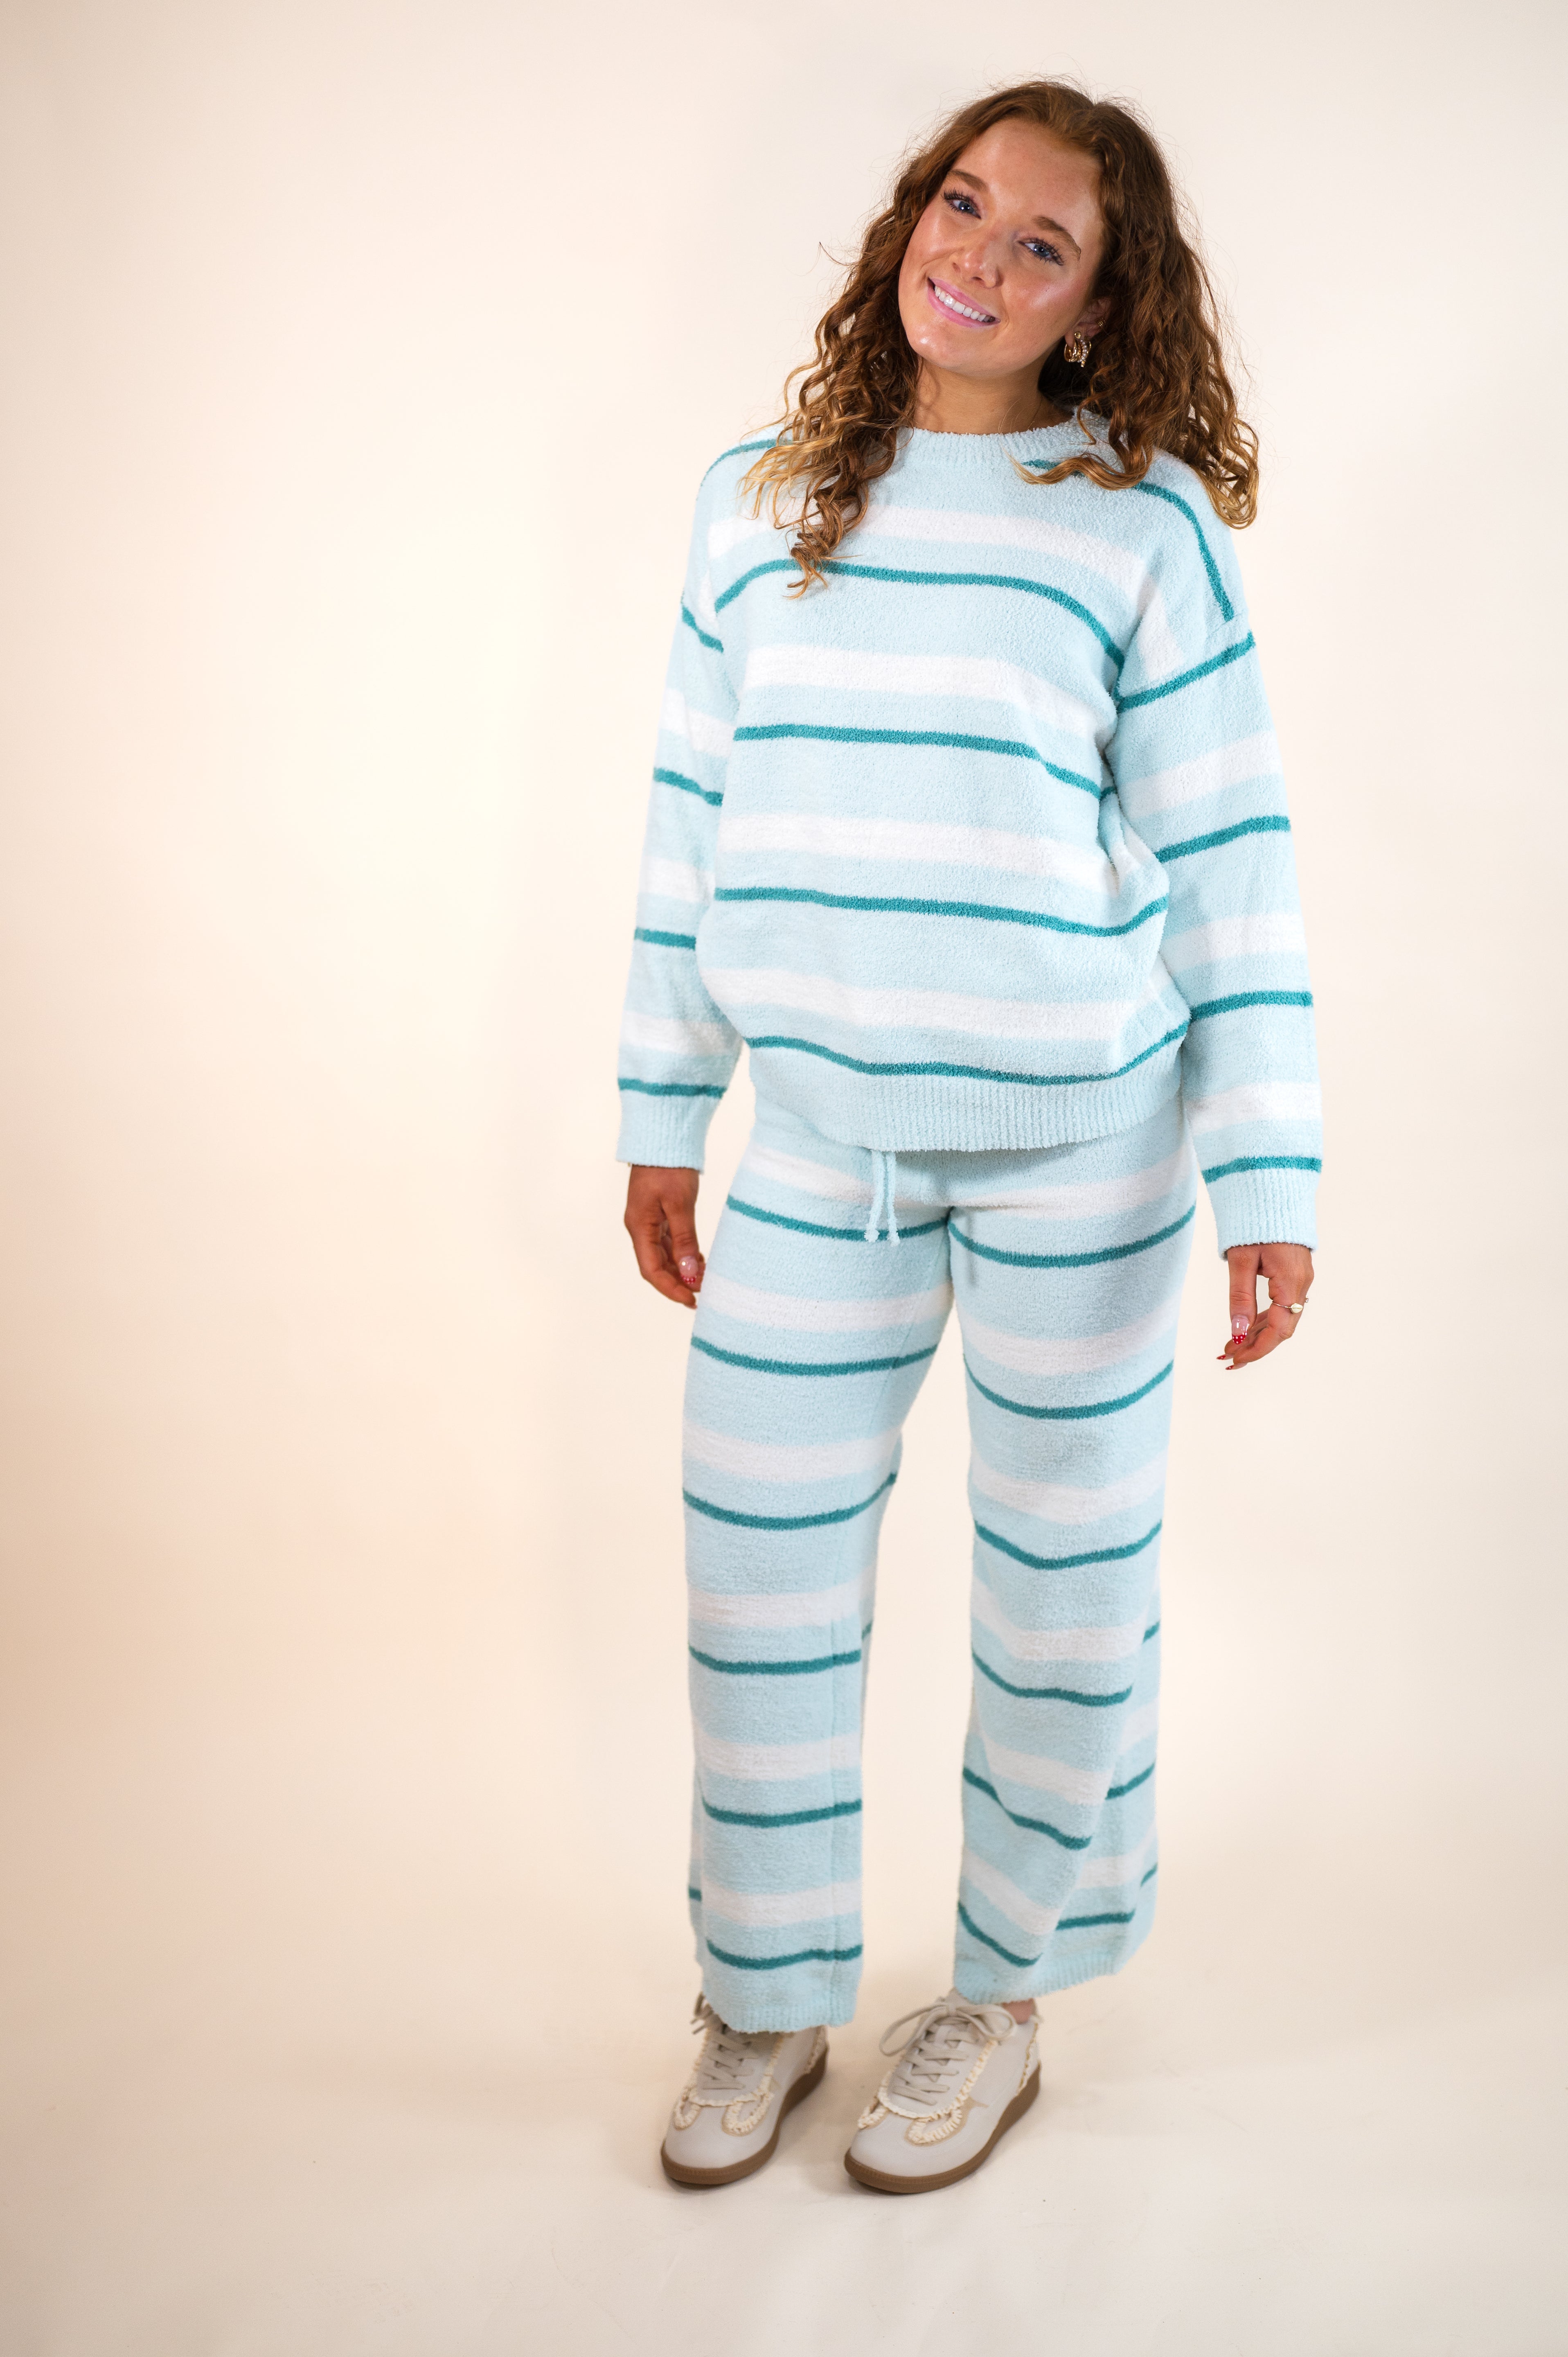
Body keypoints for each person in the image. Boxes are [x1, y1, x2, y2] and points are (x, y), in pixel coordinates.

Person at [616, 78, 1319, 2195]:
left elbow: (1232, 858)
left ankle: (1000, 2000)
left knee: (1063, 1588)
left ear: (1101, 305)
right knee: (756, 1569)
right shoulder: (756, 507)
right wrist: (664, 1109)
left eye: (1044, 244)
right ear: (904, 222)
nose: (981, 258)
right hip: (815, 1138)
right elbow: (689, 820)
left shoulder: (1139, 525)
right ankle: (765, 1996)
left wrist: (1268, 1173)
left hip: (1081, 1147)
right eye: (962, 204)